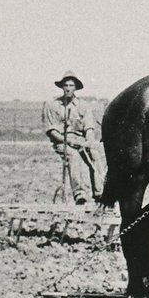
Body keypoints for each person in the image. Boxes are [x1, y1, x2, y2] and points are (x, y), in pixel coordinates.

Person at [43, 72, 103, 204]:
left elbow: (89, 127)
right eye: (66, 85)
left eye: (71, 85)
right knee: (74, 156)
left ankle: (100, 193)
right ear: (62, 87)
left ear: (76, 88)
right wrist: (68, 141)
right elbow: (51, 131)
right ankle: (79, 194)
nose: (68, 88)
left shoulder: (83, 106)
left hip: (80, 140)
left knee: (94, 154)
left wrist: (88, 141)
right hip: (62, 142)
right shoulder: (52, 105)